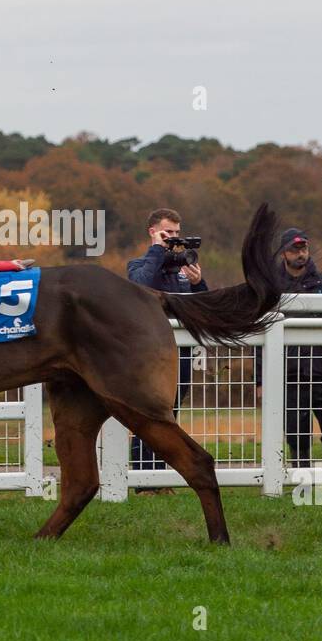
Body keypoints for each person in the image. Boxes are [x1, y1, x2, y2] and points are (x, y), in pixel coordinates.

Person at [127, 208, 208, 491]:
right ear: (153, 232)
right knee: (147, 412)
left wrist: (198, 284)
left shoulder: (183, 271)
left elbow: (202, 308)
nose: (174, 237)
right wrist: (158, 252)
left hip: (181, 353)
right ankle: (143, 481)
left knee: (170, 415)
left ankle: (161, 479)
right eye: (168, 232)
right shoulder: (139, 264)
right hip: (150, 353)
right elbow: (139, 286)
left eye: (176, 232)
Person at [275, 229, 322, 467]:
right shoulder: (271, 286)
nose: (301, 254)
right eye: (294, 249)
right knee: (297, 435)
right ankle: (302, 481)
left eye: (304, 248)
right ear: (283, 254)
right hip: (289, 374)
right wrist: (260, 379)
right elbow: (261, 333)